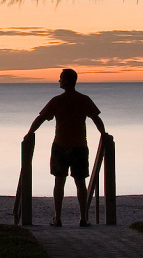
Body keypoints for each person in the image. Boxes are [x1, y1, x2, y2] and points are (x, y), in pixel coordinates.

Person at [25, 68, 107, 227]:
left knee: (59, 182)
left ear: (67, 81)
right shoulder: (83, 99)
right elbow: (96, 119)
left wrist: (30, 132)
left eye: (61, 78)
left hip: (61, 146)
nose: (59, 80)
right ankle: (83, 218)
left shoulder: (57, 101)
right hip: (79, 146)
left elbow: (41, 119)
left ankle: (59, 218)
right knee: (80, 183)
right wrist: (103, 133)